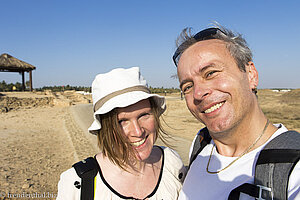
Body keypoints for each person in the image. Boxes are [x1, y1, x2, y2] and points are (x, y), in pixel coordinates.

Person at [172, 24, 300, 199]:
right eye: (187, 86)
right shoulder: (200, 145)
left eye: (210, 73)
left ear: (250, 75)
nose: (198, 93)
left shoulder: (292, 166)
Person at [56, 67, 186, 200]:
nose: (138, 131)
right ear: (104, 127)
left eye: (144, 115)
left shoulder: (172, 164)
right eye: (122, 121)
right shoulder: (77, 184)